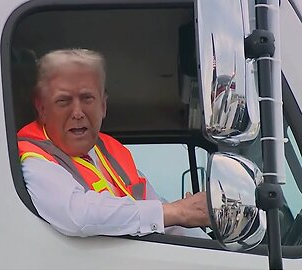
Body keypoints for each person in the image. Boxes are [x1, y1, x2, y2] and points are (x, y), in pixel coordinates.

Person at [17, 48, 210, 237]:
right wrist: (177, 212)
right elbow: (78, 216)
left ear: (103, 105)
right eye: (63, 101)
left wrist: (194, 215)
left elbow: (162, 217)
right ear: (42, 108)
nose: (77, 112)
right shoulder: (33, 158)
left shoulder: (112, 153)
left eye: (87, 98)